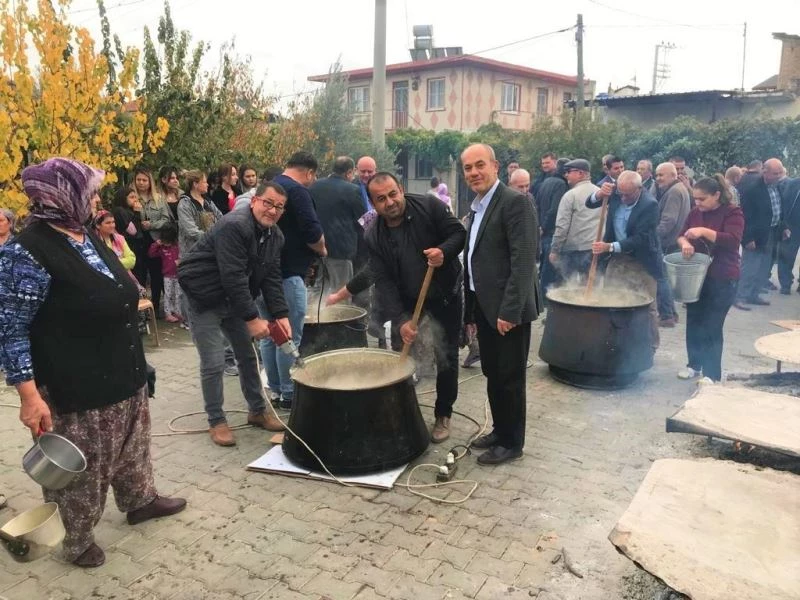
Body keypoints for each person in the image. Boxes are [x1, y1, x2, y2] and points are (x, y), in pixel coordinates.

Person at [0, 158, 186, 567]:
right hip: (75, 384)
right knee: (84, 468)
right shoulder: (24, 252)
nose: (96, 199)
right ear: (59, 196)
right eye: (88, 192)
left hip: (123, 371)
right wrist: (29, 397)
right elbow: (10, 331)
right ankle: (76, 538)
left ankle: (140, 501)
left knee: (132, 449)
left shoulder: (83, 234)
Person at [178, 182, 290, 446]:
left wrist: (281, 315)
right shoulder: (234, 226)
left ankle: (257, 411)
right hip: (203, 297)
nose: (272, 210)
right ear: (254, 201)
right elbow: (233, 276)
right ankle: (216, 420)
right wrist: (253, 318)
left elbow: (271, 278)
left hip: (233, 300)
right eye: (268, 203)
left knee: (248, 356)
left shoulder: (275, 237)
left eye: (279, 207)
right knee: (214, 361)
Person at [364, 172, 466, 442]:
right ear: (373, 204)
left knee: (446, 355)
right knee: (404, 352)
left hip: (445, 293)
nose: (390, 202)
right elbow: (383, 281)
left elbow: (458, 233)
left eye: (393, 194)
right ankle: (403, 410)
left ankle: (443, 414)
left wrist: (444, 251)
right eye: (381, 199)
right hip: (408, 299)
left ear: (401, 189)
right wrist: (400, 320)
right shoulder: (373, 236)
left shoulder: (430, 206)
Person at [462, 143, 541, 466]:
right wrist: (471, 310)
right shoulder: (479, 205)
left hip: (508, 310)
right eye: (467, 168)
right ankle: (499, 430)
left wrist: (509, 311)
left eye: (479, 165)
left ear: (495, 166)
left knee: (509, 377)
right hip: (485, 305)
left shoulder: (514, 203)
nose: (473, 173)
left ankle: (512, 443)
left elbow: (523, 262)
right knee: (494, 373)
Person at [261, 152, 327, 409]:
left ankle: (275, 390)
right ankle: (289, 394)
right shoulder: (298, 192)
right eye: (314, 176)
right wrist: (322, 249)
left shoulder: (269, 187)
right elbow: (313, 232)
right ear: (309, 172)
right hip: (288, 276)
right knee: (289, 336)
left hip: (264, 275)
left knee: (269, 335)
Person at [676, 176, 744, 382]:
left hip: (723, 277)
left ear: (716, 195)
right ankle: (694, 365)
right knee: (694, 320)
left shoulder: (733, 213)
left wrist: (704, 231)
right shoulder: (695, 212)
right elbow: (681, 235)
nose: (697, 203)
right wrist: (684, 243)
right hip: (697, 277)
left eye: (702, 199)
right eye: (695, 199)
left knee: (712, 325)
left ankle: (712, 375)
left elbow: (733, 241)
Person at [587, 170, 662, 352]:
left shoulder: (649, 205)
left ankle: (650, 346)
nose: (623, 198)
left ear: (640, 188)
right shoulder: (615, 193)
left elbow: (640, 239)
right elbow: (589, 203)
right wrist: (599, 193)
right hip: (618, 258)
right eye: (620, 193)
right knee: (612, 298)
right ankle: (614, 341)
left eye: (628, 194)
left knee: (647, 304)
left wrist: (609, 246)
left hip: (642, 260)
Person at [736, 158, 788, 306]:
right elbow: (745, 215)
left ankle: (754, 295)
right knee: (750, 266)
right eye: (775, 173)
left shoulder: (777, 186)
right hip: (755, 235)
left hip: (771, 232)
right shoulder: (752, 188)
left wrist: (783, 227)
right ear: (765, 172)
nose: (779, 176)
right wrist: (747, 238)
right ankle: (740, 296)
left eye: (780, 173)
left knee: (763, 267)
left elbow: (778, 207)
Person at [309, 156, 364, 292]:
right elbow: (364, 220)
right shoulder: (353, 190)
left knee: (318, 292)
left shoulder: (314, 186)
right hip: (341, 251)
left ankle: (317, 314)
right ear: (349, 172)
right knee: (341, 293)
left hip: (317, 249)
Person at [549, 159, 600, 282]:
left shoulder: (570, 195)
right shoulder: (600, 193)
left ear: (581, 173)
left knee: (570, 288)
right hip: (596, 249)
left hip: (574, 251)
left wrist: (555, 250)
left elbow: (562, 227)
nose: (566, 175)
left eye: (569, 171)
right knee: (591, 288)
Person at [654, 162, 691, 327]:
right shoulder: (677, 188)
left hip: (669, 242)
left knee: (662, 279)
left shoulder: (674, 191)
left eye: (661, 175)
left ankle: (667, 316)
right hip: (674, 240)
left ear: (672, 175)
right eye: (657, 175)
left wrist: (654, 237)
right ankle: (672, 314)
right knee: (665, 278)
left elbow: (669, 220)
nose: (658, 178)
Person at [134, 167, 171, 318]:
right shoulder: (132, 198)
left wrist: (153, 224)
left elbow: (167, 220)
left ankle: (155, 306)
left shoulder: (159, 198)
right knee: (140, 274)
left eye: (144, 180)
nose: (141, 183)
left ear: (150, 182)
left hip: (155, 239)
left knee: (156, 275)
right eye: (139, 180)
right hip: (138, 240)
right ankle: (142, 309)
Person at [537, 158, 569, 297]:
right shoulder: (561, 184)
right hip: (551, 231)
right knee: (550, 269)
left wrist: (539, 225)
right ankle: (546, 298)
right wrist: (544, 226)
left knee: (545, 266)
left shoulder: (546, 182)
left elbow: (537, 205)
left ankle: (541, 296)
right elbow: (555, 210)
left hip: (544, 231)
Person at [178, 170, 222, 258]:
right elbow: (191, 231)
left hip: (211, 250)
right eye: (205, 182)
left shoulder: (208, 201)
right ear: (195, 184)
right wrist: (212, 237)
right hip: (192, 253)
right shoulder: (184, 204)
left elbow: (220, 217)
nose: (208, 184)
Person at [148, 225, 184, 324]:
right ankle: (168, 313)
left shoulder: (177, 246)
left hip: (177, 274)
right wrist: (156, 244)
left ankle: (177, 311)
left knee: (178, 294)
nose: (166, 244)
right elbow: (151, 254)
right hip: (167, 275)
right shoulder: (161, 248)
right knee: (168, 295)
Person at [112, 185, 147, 287]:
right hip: (130, 246)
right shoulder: (120, 211)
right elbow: (132, 231)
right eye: (131, 197)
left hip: (137, 247)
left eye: (135, 197)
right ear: (123, 198)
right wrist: (136, 213)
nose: (135, 200)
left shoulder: (128, 210)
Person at [778, 175, 800, 294]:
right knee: (786, 255)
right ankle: (785, 284)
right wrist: (784, 225)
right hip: (792, 226)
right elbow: (783, 205)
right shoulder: (792, 184)